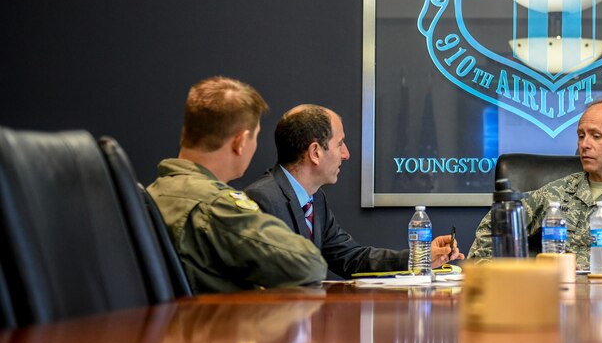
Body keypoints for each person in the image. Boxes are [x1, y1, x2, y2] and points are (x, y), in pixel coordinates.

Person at [148, 77, 327, 293]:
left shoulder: (155, 193)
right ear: (240, 142)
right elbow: (308, 263)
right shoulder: (215, 206)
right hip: (220, 324)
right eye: (255, 137)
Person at [245, 105, 460, 278]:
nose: (346, 154)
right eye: (340, 144)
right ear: (315, 152)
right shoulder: (263, 200)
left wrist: (419, 257)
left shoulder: (316, 199)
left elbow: (350, 258)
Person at [467, 98, 602, 271]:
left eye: (596, 136)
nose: (584, 144)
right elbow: (494, 227)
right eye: (581, 135)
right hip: (555, 302)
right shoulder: (556, 193)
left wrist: (599, 276)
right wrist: (498, 275)